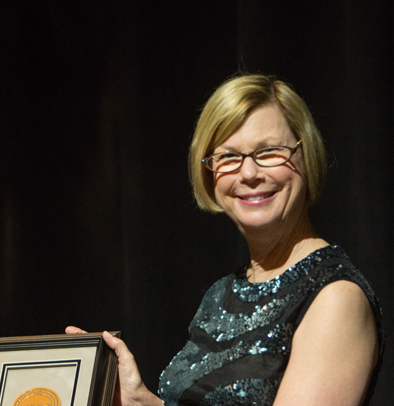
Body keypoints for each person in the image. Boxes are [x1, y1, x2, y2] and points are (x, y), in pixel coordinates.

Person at [68, 74, 383, 405]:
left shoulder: (334, 298)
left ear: (307, 155)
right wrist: (138, 401)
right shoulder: (221, 294)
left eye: (270, 151)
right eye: (229, 157)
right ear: (209, 173)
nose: (249, 173)